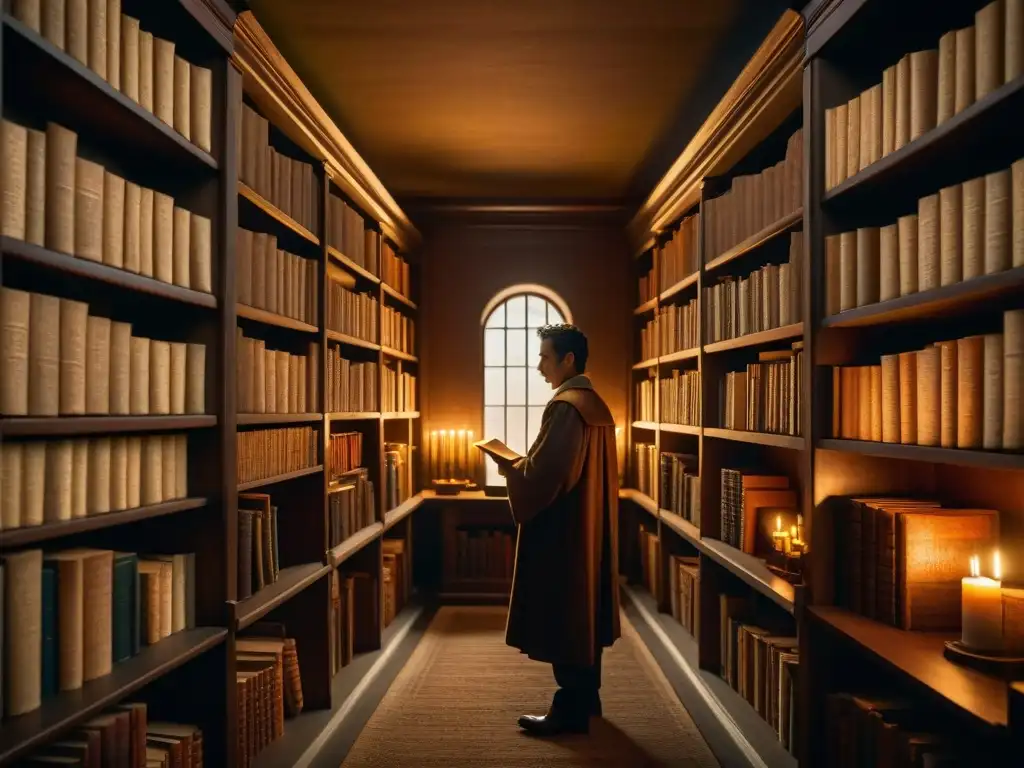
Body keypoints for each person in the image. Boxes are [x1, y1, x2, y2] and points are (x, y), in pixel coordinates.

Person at [496, 323, 620, 736]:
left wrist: (510, 468)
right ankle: (587, 699)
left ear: (568, 360)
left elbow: (548, 474)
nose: (539, 366)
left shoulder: (567, 406)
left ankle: (569, 709)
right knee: (584, 607)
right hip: (587, 525)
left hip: (565, 531)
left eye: (545, 357)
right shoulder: (594, 403)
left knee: (567, 609)